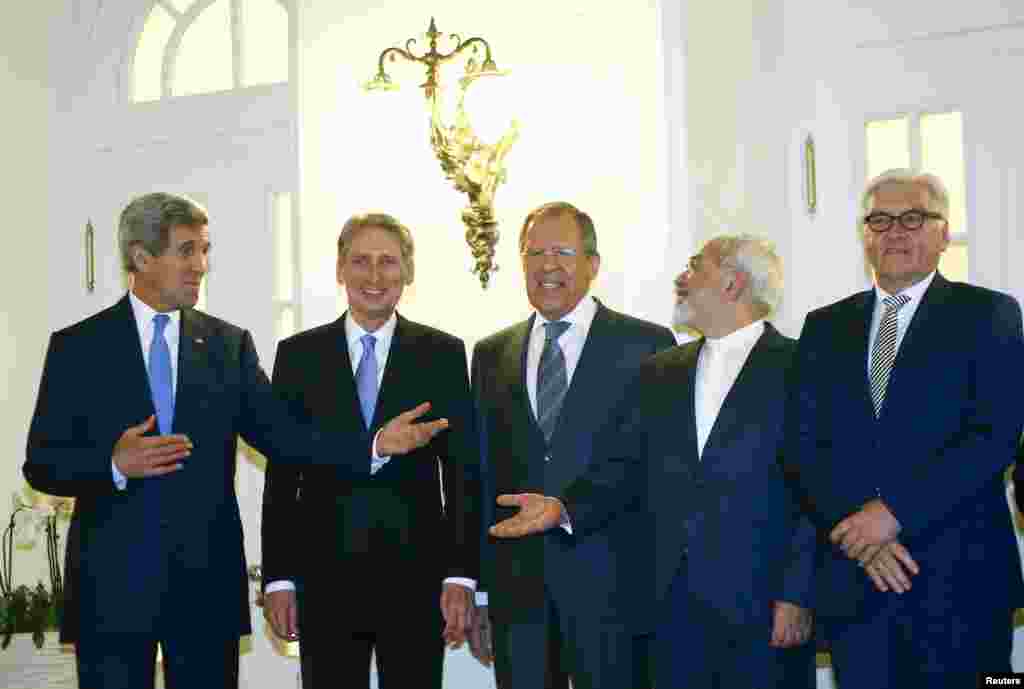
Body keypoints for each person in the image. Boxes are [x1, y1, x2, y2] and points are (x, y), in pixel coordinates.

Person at [24, 193, 445, 689]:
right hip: (112, 591)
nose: (200, 265)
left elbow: (286, 437)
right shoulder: (79, 347)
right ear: (141, 257)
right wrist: (113, 464)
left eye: (204, 250)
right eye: (187, 251)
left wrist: (372, 446)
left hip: (206, 591)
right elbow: (43, 464)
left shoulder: (227, 345)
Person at [490, 235, 818, 688]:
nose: (682, 278)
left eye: (695, 266)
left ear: (732, 283)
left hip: (762, 610)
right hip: (665, 611)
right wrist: (563, 508)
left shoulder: (803, 365)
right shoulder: (661, 369)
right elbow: (621, 470)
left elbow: (813, 491)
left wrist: (796, 594)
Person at [787, 169, 1024, 687]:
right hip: (856, 581)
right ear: (864, 234)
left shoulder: (989, 314)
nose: (895, 231)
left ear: (943, 234)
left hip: (959, 582)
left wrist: (893, 515)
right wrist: (862, 534)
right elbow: (803, 449)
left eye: (913, 218)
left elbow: (994, 436)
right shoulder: (824, 326)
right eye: (880, 219)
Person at [261, 212, 479, 689]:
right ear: (340, 269)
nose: (374, 276)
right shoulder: (298, 356)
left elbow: (463, 473)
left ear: (408, 272)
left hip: (417, 584)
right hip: (324, 584)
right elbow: (282, 476)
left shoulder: (442, 353)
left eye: (388, 262)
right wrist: (278, 578)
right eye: (360, 261)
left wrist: (461, 575)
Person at [469, 202, 675, 689]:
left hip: (614, 591)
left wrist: (568, 509)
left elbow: (656, 471)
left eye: (562, 251)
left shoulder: (646, 346)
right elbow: (479, 476)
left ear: (593, 264)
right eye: (535, 253)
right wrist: (480, 592)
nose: (547, 265)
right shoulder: (490, 353)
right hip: (518, 597)